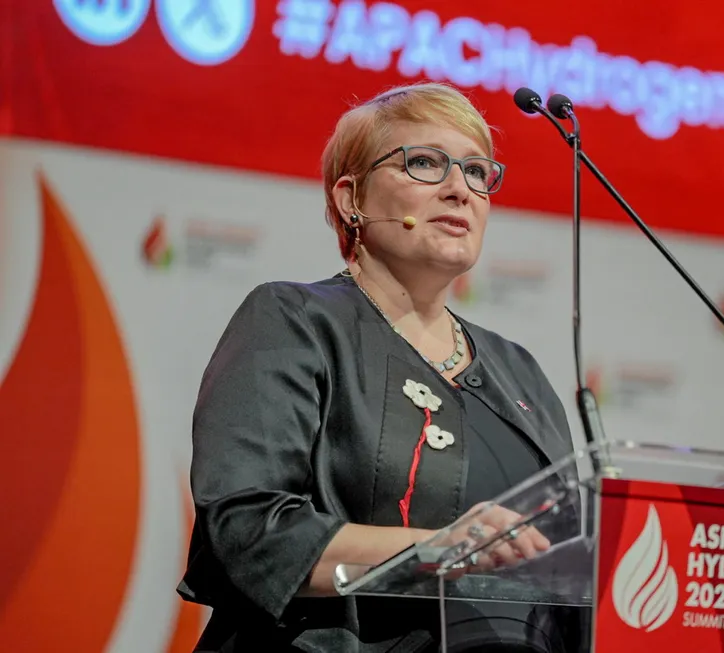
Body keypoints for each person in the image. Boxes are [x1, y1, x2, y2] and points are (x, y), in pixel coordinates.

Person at [177, 82, 588, 652]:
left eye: (477, 172)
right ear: (352, 199)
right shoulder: (296, 321)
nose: (459, 190)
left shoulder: (521, 372)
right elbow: (247, 532)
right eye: (424, 163)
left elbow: (569, 564)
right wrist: (438, 547)